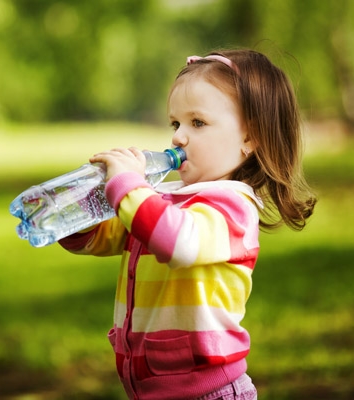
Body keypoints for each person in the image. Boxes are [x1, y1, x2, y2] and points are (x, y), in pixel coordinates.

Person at [58, 49, 316, 400]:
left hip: (210, 392)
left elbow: (175, 240)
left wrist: (128, 187)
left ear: (249, 138)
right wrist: (79, 213)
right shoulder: (162, 199)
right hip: (154, 389)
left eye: (197, 123)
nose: (178, 137)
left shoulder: (232, 207)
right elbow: (108, 235)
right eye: (175, 123)